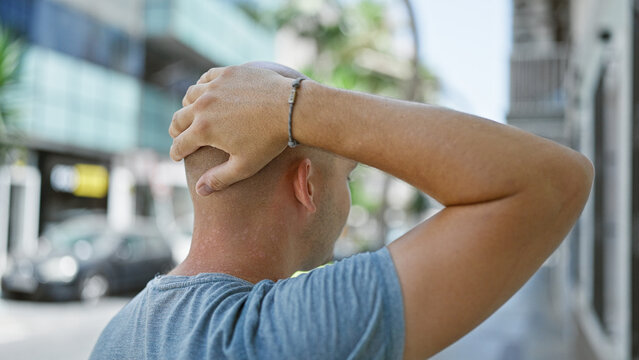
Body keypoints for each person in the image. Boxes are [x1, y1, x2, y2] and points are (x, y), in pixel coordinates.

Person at [90, 62, 593, 360]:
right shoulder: (286, 330)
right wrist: (298, 108)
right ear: (306, 185)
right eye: (346, 177)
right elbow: (553, 182)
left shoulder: (117, 335)